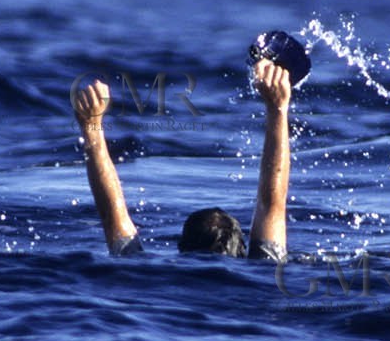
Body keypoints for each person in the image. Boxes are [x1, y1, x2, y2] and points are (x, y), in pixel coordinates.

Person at [73, 60, 292, 262]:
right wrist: (278, 108)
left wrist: (91, 125)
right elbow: (272, 204)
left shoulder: (147, 271)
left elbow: (113, 213)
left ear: (180, 248)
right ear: (243, 250)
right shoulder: (264, 263)